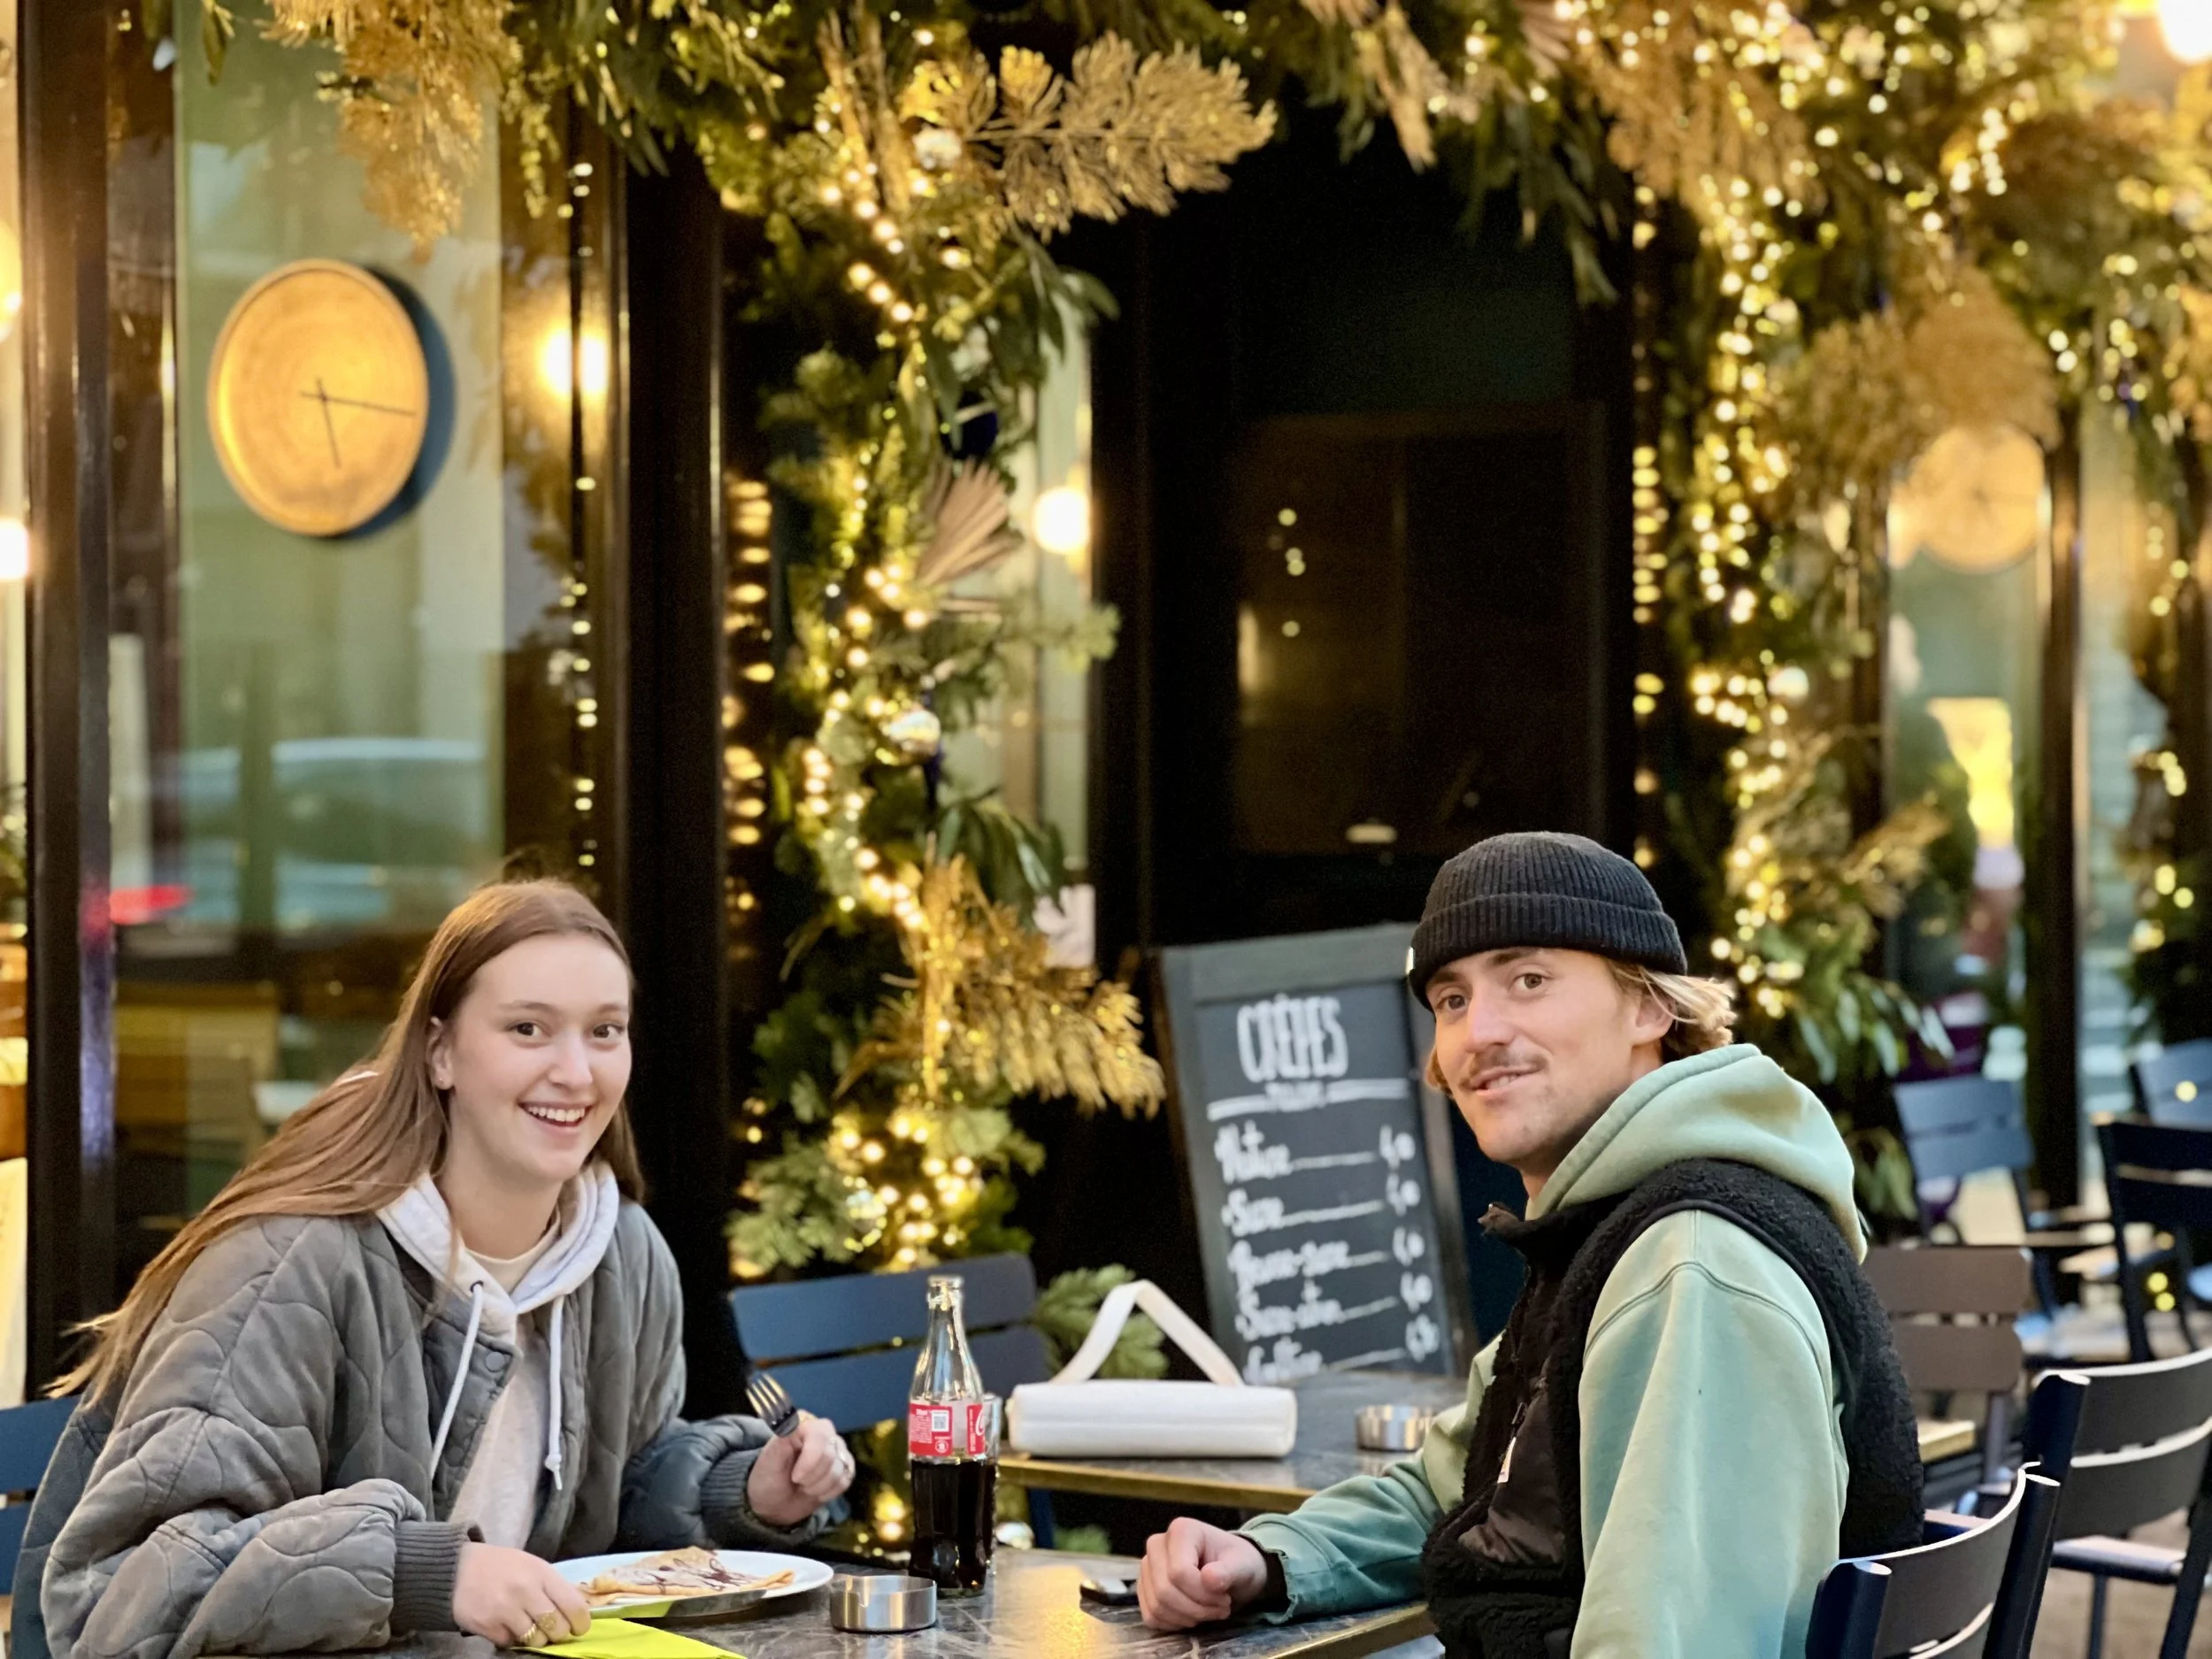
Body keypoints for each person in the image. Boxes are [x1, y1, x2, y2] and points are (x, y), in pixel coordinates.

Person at [14, 879, 856, 1659]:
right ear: (441, 1052)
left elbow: (610, 1509)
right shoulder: (291, 1261)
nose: (575, 1070)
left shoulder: (624, 1254)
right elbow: (118, 1595)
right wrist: (419, 1570)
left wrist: (745, 1491)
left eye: (605, 1029)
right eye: (527, 1027)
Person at [1137, 832, 1924, 1657]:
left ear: (1650, 1006)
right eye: (1451, 1000)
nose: (1480, 1030)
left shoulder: (1691, 1265)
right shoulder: (1613, 1226)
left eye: (1530, 979)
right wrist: (1268, 1555)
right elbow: (1464, 1486)